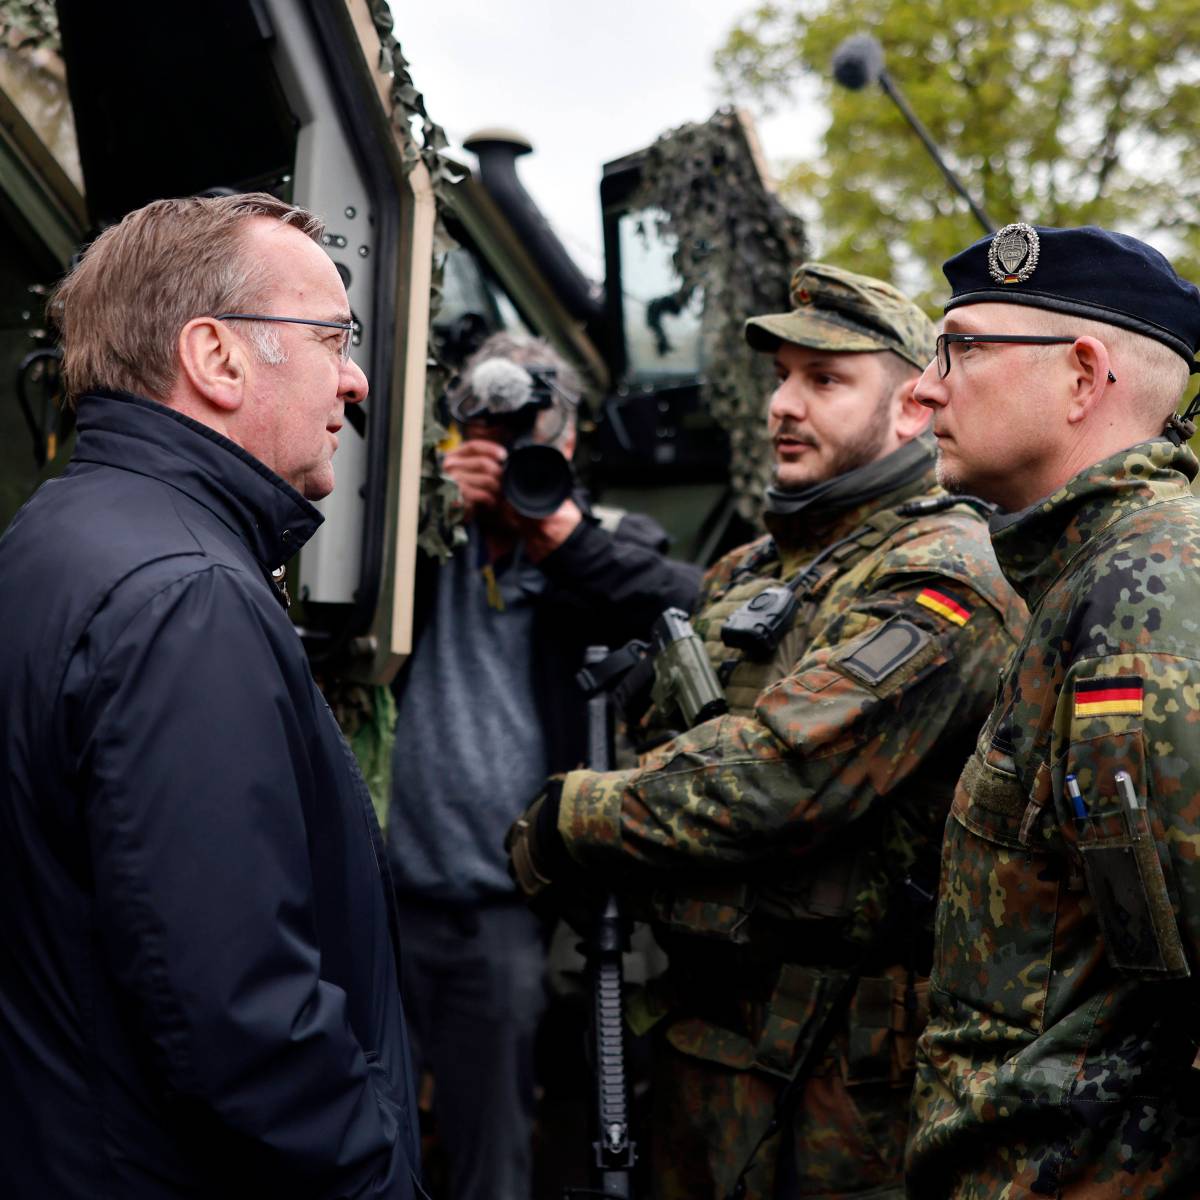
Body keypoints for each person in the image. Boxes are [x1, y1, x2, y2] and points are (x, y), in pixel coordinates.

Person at [506, 263, 1026, 1199]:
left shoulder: (941, 578)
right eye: (782, 376)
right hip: (706, 1033)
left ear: (913, 408)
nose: (784, 405)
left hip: (845, 1076)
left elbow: (781, 774)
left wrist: (574, 821)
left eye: (825, 382)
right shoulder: (757, 562)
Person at [0, 193, 421, 1198]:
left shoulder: (58, 538)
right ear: (217, 358)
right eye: (331, 338)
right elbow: (239, 1017)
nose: (355, 379)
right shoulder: (184, 595)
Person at [906, 224, 1200, 1197]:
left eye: (964, 349)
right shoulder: (1089, 579)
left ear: (1083, 378)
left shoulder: (1141, 599)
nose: (926, 387)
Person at [384, 332, 700, 1200]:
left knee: (496, 1157)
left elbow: (694, 603)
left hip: (509, 916)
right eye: (492, 442)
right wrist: (430, 513)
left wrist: (558, 535)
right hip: (386, 900)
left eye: (538, 445)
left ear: (567, 446)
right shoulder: (409, 541)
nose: (516, 464)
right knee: (366, 1142)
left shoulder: (601, 542)